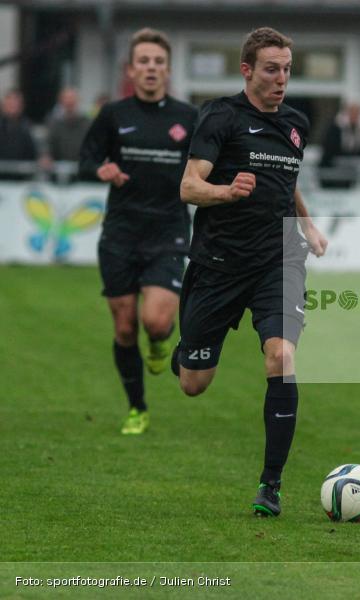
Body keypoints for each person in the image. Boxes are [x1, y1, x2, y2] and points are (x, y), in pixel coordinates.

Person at [175, 27, 327, 517]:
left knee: (281, 355)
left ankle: (271, 485)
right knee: (193, 383)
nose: (281, 78)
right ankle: (186, 347)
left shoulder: (297, 123)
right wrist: (225, 192)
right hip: (218, 264)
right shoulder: (219, 116)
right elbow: (189, 187)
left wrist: (309, 226)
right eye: (271, 69)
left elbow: (289, 181)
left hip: (278, 258)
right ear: (247, 70)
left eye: (286, 69)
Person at [79, 28, 197, 435]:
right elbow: (86, 157)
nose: (151, 68)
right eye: (144, 61)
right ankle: (137, 407)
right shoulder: (114, 114)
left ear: (167, 69)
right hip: (121, 234)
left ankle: (162, 341)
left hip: (168, 230)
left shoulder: (188, 118)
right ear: (131, 69)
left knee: (157, 322)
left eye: (158, 62)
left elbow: (207, 165)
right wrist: (101, 169)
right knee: (125, 327)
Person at [318, 100, 360, 188]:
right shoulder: (335, 127)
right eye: (352, 112)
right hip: (332, 173)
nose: (355, 116)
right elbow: (330, 151)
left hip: (349, 176)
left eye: (358, 113)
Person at [42, 87, 92, 180]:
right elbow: (48, 144)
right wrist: (46, 155)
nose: (69, 102)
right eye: (66, 99)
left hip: (81, 175)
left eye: (72, 98)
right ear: (61, 101)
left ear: (77, 101)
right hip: (57, 175)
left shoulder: (87, 123)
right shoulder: (53, 123)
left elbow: (93, 145)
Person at [0, 89, 38, 180]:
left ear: (21, 106)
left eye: (16, 103)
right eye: (10, 103)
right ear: (3, 105)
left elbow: (33, 152)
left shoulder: (27, 127)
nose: (13, 106)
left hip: (21, 180)